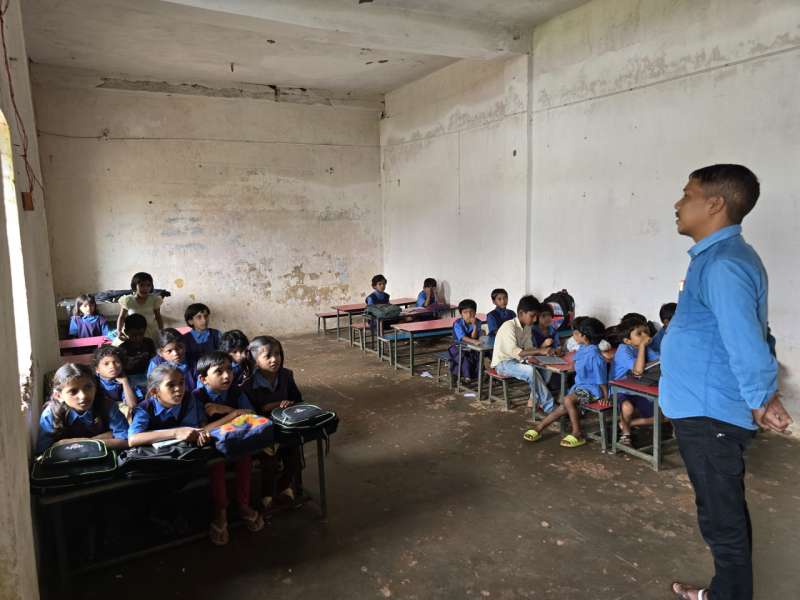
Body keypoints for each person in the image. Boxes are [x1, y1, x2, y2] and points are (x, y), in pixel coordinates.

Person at [663, 164, 790, 600]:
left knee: (722, 520)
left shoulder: (724, 265)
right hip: (703, 409)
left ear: (715, 203)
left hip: (710, 414)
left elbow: (746, 341)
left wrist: (761, 397)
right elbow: (755, 332)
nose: (678, 204)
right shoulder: (718, 260)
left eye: (687, 194)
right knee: (721, 514)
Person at [128, 365, 264, 545]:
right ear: (155, 392)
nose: (179, 389)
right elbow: (133, 439)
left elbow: (196, 429)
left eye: (182, 383)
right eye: (171, 385)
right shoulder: (145, 408)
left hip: (186, 458)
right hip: (159, 463)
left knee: (231, 454)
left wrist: (197, 434)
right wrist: (176, 432)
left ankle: (235, 507)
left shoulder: (188, 400)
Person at [523, 317, 608, 448]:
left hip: (593, 391)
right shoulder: (582, 348)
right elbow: (574, 365)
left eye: (576, 333)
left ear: (584, 337)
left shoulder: (595, 356)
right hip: (580, 388)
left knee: (567, 400)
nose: (574, 335)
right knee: (563, 406)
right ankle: (539, 428)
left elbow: (601, 379)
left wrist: (606, 397)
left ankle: (577, 433)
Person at [243, 336, 303, 509]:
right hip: (262, 431)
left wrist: (290, 404)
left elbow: (298, 400)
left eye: (277, 354)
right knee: (269, 461)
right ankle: (267, 493)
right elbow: (249, 414)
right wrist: (271, 406)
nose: (274, 359)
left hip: (286, 427)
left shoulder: (286, 375)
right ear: (255, 360)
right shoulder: (248, 385)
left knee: (294, 459)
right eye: (268, 356)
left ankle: (284, 486)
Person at [36, 363, 128, 455]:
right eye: (73, 391)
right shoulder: (50, 414)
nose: (83, 396)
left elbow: (125, 440)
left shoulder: (107, 405)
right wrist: (106, 437)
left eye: (88, 387)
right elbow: (44, 452)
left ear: (95, 387)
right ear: (58, 396)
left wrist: (79, 443)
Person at [490, 295, 554, 412]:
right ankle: (550, 407)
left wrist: (535, 357)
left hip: (519, 360)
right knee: (530, 371)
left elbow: (528, 348)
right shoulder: (508, 326)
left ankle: (533, 400)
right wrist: (540, 350)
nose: (535, 319)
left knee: (546, 369)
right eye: (532, 316)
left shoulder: (527, 327)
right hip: (503, 363)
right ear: (521, 313)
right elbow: (515, 352)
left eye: (536, 316)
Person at [610, 317, 660, 445]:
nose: (645, 336)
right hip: (620, 390)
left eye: (646, 332)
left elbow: (659, 360)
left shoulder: (645, 347)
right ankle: (625, 433)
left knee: (662, 415)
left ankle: (628, 423)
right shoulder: (623, 350)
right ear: (627, 341)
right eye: (639, 334)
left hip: (640, 387)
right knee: (627, 407)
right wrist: (643, 346)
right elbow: (638, 371)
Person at [193, 351, 255, 418]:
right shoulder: (197, 397)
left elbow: (253, 415)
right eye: (219, 371)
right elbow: (202, 425)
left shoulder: (236, 391)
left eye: (229, 369)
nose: (227, 376)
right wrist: (235, 413)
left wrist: (226, 409)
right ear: (204, 379)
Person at [116, 272, 164, 341]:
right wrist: (119, 331)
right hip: (133, 332)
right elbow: (122, 317)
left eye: (148, 285)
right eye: (141, 285)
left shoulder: (154, 300)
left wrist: (161, 331)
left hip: (151, 332)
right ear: (135, 286)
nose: (145, 288)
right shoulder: (128, 300)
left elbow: (158, 317)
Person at [93, 345, 139, 411]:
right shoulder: (94, 382)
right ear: (97, 369)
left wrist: (125, 383)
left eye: (116, 362)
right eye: (106, 364)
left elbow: (132, 405)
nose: (112, 366)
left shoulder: (124, 380)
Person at [448, 299, 482, 382]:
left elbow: (474, 337)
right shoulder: (458, 323)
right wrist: (474, 341)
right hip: (457, 347)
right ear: (461, 314)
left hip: (471, 348)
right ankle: (466, 377)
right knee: (464, 357)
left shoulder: (478, 322)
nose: (469, 315)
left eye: (471, 312)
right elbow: (463, 337)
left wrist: (475, 326)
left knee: (479, 356)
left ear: (475, 312)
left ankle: (478, 375)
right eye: (465, 312)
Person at [117, 313, 155, 388]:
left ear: (145, 331)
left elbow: (154, 361)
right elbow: (121, 371)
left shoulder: (149, 343)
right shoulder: (122, 348)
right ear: (126, 332)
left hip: (148, 376)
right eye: (133, 335)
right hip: (131, 380)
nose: (138, 338)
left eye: (141, 334)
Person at [181, 303, 221, 369]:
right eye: (199, 317)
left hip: (214, 369)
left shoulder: (217, 334)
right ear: (190, 321)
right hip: (193, 371)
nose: (204, 320)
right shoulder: (184, 339)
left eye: (206, 316)